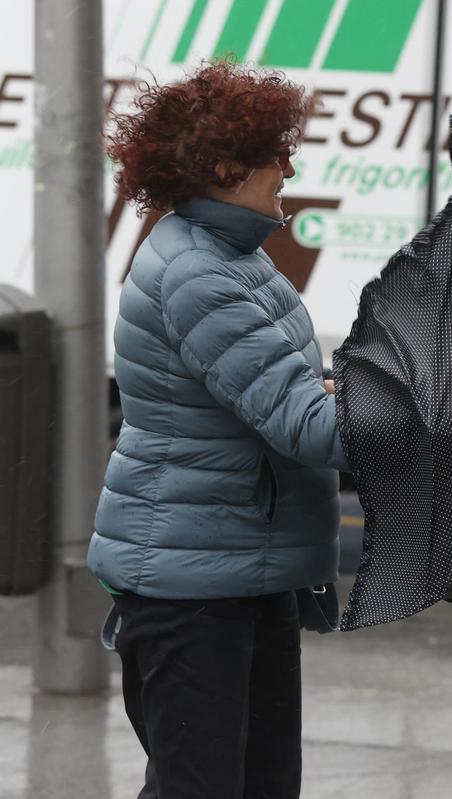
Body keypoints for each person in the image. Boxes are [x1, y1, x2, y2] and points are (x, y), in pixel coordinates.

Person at [87, 62, 347, 798]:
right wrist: (413, 405)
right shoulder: (199, 273)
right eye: (276, 151)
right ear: (226, 165)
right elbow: (307, 423)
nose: (289, 166)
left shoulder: (233, 257)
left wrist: (349, 386)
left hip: (239, 569)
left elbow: (286, 388)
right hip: (192, 588)